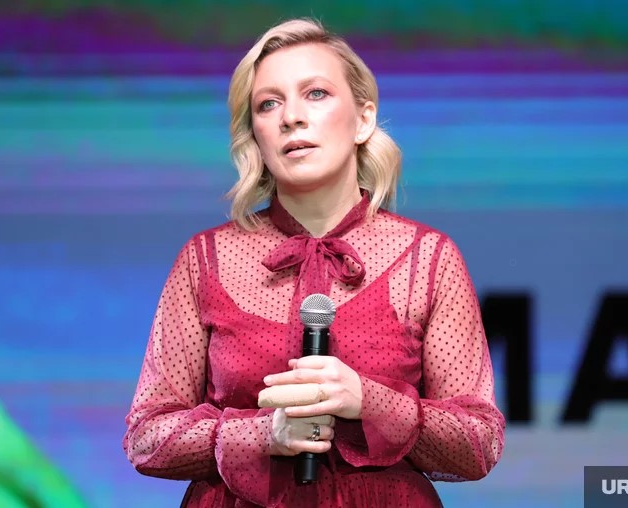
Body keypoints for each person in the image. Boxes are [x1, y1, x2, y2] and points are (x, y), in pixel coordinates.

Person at [122, 17, 505, 507]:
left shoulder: (428, 257)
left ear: (363, 119)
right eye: (269, 103)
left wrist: (369, 401)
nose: (291, 117)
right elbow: (147, 436)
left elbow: (478, 443)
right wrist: (261, 435)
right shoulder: (205, 259)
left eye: (316, 94)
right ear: (255, 135)